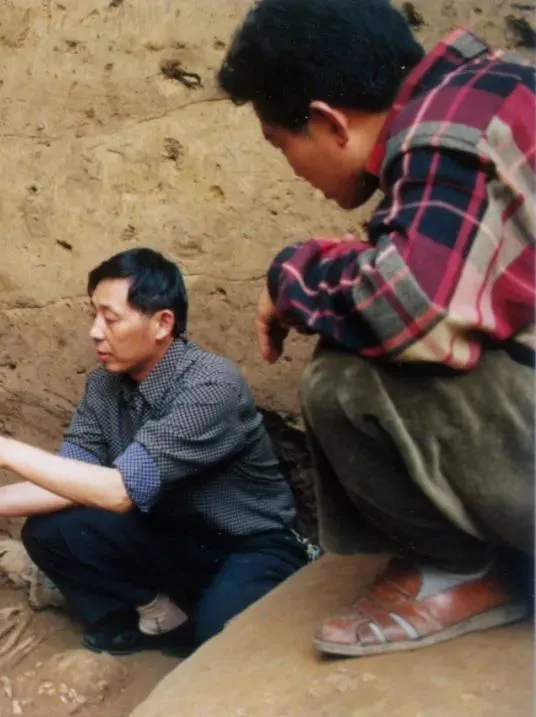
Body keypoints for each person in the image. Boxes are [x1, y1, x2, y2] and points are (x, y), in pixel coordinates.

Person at [217, 0, 534, 657]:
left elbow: (410, 309)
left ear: (329, 121)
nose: (290, 166)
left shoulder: (445, 133)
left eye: (281, 143)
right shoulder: (494, 89)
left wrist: (292, 273)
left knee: (344, 380)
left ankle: (459, 570)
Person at [0, 248, 316, 656]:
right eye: (93, 315)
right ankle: (159, 619)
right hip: (172, 537)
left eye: (110, 319)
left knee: (221, 637)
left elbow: (119, 491)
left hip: (249, 544)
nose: (95, 332)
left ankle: (215, 614)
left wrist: (3, 450)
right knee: (50, 531)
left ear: (163, 323)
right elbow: (68, 478)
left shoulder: (211, 386)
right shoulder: (103, 386)